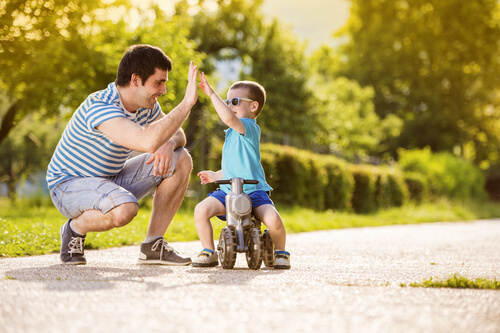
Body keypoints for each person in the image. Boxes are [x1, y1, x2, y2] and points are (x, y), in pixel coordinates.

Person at [46, 44, 198, 265]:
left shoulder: (147, 106)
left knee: (180, 158)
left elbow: (179, 135)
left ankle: (153, 245)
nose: (163, 90)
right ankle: (74, 228)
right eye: (158, 82)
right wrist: (186, 104)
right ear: (135, 80)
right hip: (68, 186)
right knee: (125, 209)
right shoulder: (100, 106)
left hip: (110, 179)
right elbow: (146, 141)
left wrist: (169, 143)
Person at [192, 72, 291, 269]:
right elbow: (233, 168)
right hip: (229, 191)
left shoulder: (249, 127)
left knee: (273, 219)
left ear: (253, 106)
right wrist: (215, 175)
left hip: (254, 193)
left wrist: (212, 94)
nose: (229, 105)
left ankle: (281, 252)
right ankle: (208, 251)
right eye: (227, 101)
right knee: (201, 210)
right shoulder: (231, 133)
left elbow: (229, 119)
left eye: (234, 101)